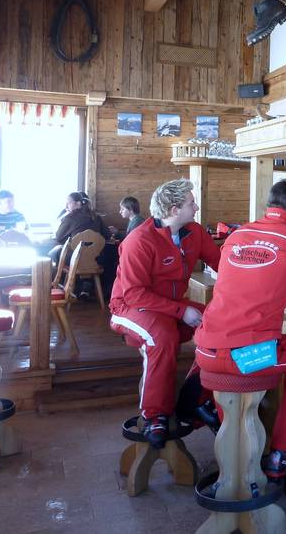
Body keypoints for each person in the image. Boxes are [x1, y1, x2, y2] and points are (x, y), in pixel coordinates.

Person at [194, 179, 286, 478]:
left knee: (235, 375)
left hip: (204, 352)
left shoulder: (237, 235)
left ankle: (220, 419)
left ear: (269, 204)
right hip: (248, 357)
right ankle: (284, 453)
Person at [109, 179, 221, 448]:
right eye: (192, 203)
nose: (196, 208)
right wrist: (181, 311)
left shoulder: (194, 232)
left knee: (221, 327)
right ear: (174, 210)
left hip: (170, 306)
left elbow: (221, 263)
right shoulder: (139, 240)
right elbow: (134, 294)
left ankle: (195, 399)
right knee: (162, 336)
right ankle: (154, 416)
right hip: (129, 307)